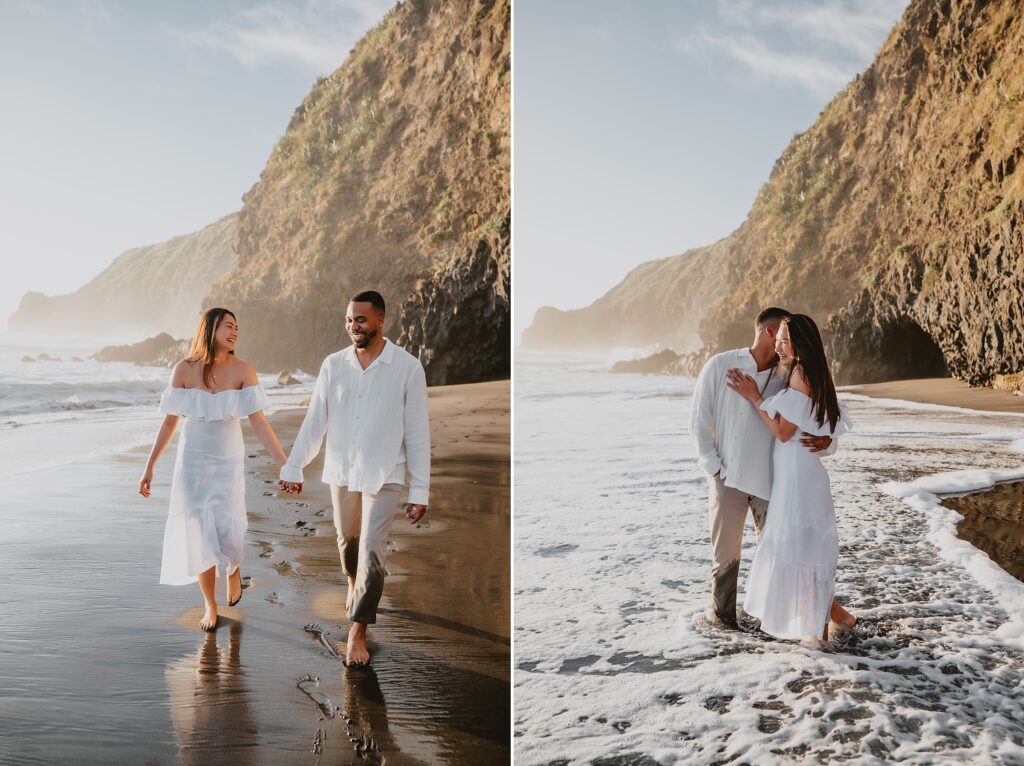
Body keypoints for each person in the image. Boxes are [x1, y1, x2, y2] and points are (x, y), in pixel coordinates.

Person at [278, 290, 430, 666]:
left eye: (360, 320)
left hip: (386, 473)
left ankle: (357, 632)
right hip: (342, 470)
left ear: (380, 320)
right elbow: (316, 421)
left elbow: (418, 433)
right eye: (349, 320)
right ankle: (353, 583)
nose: (353, 326)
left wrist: (420, 489)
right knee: (348, 543)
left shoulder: (407, 367)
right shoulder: (333, 365)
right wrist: (294, 466)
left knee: (372, 552)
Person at [139, 308, 290, 632]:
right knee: (197, 533)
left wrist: (283, 463)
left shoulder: (242, 370)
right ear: (210, 328)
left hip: (227, 460)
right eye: (228, 326)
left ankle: (233, 568)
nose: (235, 332)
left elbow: (259, 423)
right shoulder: (183, 369)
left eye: (237, 327)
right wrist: (150, 466)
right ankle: (209, 604)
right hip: (192, 460)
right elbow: (169, 423)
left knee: (230, 531)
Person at [726, 314, 853, 643]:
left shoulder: (799, 373)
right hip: (802, 476)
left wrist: (754, 396)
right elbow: (819, 423)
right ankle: (834, 624)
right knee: (806, 554)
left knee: (798, 553)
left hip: (797, 480)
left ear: (800, 344)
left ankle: (819, 644)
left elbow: (783, 432)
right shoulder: (814, 372)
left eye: (784, 340)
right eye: (778, 339)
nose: (779, 346)